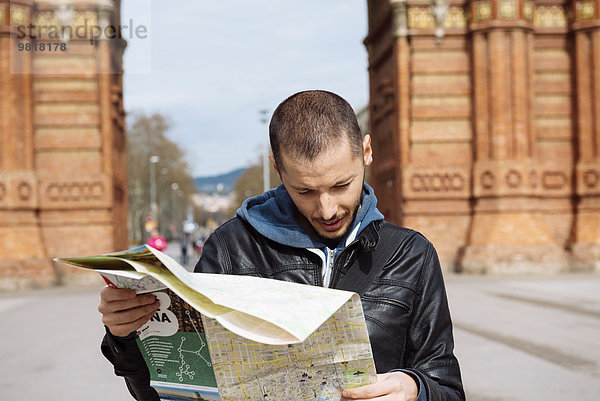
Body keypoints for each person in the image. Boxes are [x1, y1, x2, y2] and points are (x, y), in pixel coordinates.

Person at [98, 90, 465, 401]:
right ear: (277, 167)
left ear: (366, 152)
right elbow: (170, 390)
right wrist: (125, 336)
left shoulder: (411, 255)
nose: (327, 209)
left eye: (341, 185)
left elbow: (446, 385)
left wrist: (414, 388)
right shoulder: (230, 248)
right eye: (305, 190)